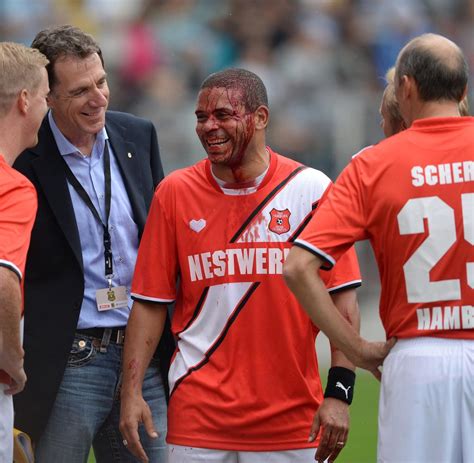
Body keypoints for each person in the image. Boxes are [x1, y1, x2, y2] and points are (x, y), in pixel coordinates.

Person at [119, 68, 362, 463]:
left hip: (293, 420)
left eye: (223, 115)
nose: (209, 127)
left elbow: (343, 303)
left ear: (261, 117)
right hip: (197, 419)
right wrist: (130, 394)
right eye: (201, 117)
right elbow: (149, 303)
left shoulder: (311, 190)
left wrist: (339, 393)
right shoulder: (174, 194)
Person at [284, 33, 474, 462]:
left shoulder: (374, 163)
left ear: (405, 87)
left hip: (417, 359)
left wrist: (355, 348)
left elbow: (298, 268)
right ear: (463, 91)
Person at [12, 25, 174, 463]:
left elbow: (159, 246)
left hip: (143, 361)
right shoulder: (24, 157)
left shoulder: (137, 136)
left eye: (101, 82)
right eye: (81, 90)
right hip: (68, 363)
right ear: (48, 97)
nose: (99, 98)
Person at [0, 41, 49, 463]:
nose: (48, 107)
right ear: (24, 100)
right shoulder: (12, 186)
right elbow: (2, 279)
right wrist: (12, 362)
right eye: (46, 96)